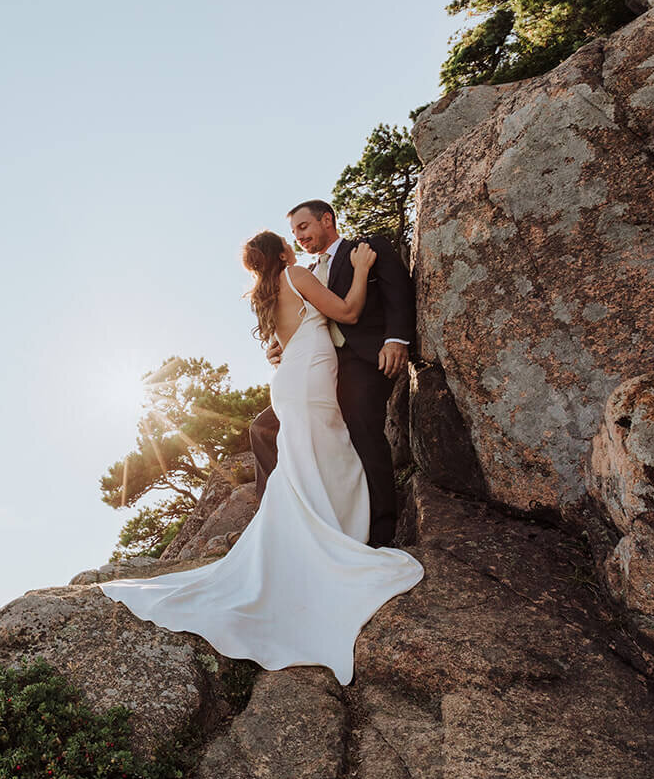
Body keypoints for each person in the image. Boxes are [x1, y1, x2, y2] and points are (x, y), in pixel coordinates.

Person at [97, 227, 423, 686]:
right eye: (291, 238)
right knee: (329, 453)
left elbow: (285, 342)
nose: (297, 242)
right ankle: (337, 536)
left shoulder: (265, 292)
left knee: (308, 456)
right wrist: (364, 268)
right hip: (310, 377)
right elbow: (347, 311)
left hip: (293, 378)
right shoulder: (296, 274)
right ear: (282, 251)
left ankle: (317, 530)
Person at [258, 199, 414, 548]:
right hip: (320, 368)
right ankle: (287, 519)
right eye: (293, 232)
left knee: (360, 424)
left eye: (303, 227)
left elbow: (398, 291)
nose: (298, 237)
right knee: (262, 428)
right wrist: (281, 346)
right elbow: (308, 318)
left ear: (326, 220)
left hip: (362, 360)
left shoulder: (366, 248)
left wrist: (396, 338)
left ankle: (380, 531)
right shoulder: (305, 274)